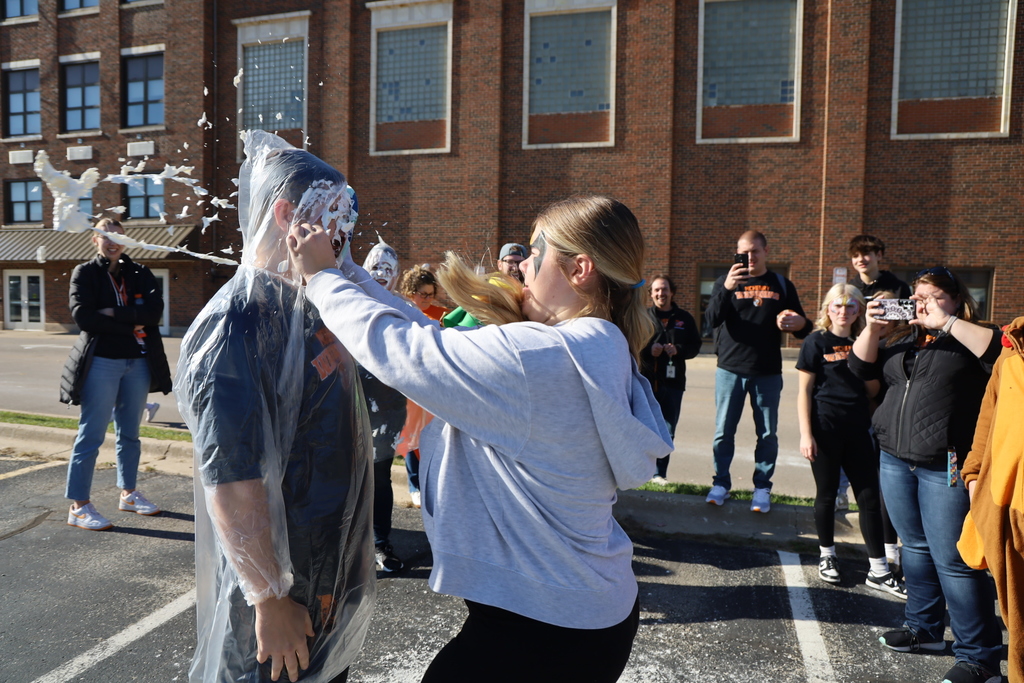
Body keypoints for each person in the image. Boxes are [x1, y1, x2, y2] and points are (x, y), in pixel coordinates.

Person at [288, 194, 672, 683]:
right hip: (585, 613)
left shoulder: (542, 358)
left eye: (537, 249)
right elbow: (434, 335)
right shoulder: (596, 345)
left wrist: (321, 278)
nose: (525, 263)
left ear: (580, 268)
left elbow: (405, 350)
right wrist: (346, 270)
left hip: (545, 629)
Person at [176, 131, 374, 683]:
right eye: (332, 218)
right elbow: (232, 476)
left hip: (323, 573)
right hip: (284, 592)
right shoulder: (236, 324)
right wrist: (268, 600)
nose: (342, 237)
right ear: (287, 214)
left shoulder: (306, 304)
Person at [849, 266, 1003, 683]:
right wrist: (874, 328)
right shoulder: (904, 339)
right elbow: (861, 371)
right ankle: (925, 631)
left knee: (954, 561)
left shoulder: (973, 336)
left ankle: (980, 658)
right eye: (918, 296)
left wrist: (948, 322)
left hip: (946, 463)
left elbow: (1000, 352)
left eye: (935, 296)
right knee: (914, 548)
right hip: (896, 458)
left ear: (956, 300)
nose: (924, 304)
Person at [59, 217, 172, 531]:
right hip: (102, 362)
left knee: (130, 435)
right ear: (94, 240)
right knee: (91, 435)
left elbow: (154, 314)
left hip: (137, 363)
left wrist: (112, 313)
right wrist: (131, 322)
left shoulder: (140, 273)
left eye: (118, 236)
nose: (112, 242)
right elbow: (84, 317)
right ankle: (79, 506)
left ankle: (129, 493)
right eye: (105, 236)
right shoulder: (85, 273)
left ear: (127, 241)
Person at [795, 284, 904, 596]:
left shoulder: (867, 342)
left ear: (860, 310)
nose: (843, 311)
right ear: (828, 309)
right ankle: (827, 555)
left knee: (869, 497)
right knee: (827, 495)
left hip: (859, 429)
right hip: (825, 429)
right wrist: (806, 433)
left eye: (851, 306)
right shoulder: (815, 341)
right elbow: (804, 391)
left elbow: (871, 393)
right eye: (837, 305)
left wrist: (867, 361)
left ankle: (879, 569)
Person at [703, 230, 812, 512]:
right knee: (723, 432)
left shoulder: (781, 284)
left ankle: (762, 487)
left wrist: (798, 322)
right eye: (743, 252)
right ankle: (720, 483)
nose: (749, 257)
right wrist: (727, 288)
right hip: (730, 369)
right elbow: (712, 319)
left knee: (767, 434)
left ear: (765, 252)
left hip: (767, 372)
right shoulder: (724, 282)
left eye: (754, 251)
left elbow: (803, 327)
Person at [957, 315, 1024, 683]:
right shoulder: (1013, 349)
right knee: (1018, 625)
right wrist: (972, 475)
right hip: (1009, 508)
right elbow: (989, 416)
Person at [361, 238, 408, 573]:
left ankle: (380, 543)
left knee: (379, 476)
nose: (380, 273)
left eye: (387, 269)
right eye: (375, 266)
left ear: (397, 276)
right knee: (345, 476)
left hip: (388, 408)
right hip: (349, 403)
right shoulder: (348, 301)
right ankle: (348, 545)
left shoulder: (401, 309)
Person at [640, 275, 702, 484]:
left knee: (668, 429)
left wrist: (679, 350)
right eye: (656, 290)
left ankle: (660, 473)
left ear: (672, 292)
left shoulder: (684, 318)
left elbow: (695, 346)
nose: (661, 294)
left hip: (674, 384)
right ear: (651, 294)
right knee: (646, 427)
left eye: (664, 289)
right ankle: (643, 471)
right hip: (648, 382)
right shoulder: (644, 317)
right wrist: (649, 350)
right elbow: (633, 345)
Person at [396, 265, 449, 507]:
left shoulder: (443, 313)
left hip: (434, 385)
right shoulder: (401, 311)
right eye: (422, 294)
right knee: (411, 437)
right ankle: (414, 485)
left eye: (430, 294)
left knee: (431, 436)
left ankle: (431, 485)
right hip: (411, 385)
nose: (427, 299)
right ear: (409, 292)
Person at [848, 234, 911, 300]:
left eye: (865, 254)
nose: (860, 259)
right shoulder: (849, 289)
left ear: (879, 255)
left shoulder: (899, 288)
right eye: (855, 256)